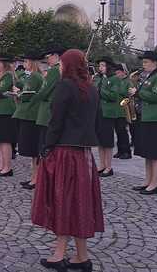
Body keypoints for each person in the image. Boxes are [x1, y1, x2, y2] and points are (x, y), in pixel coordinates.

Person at [32, 49, 104, 272]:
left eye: (62, 63)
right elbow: (96, 121)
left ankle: (60, 255)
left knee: (62, 201)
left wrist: (47, 147)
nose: (60, 67)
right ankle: (82, 256)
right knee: (78, 203)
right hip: (84, 155)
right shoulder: (91, 89)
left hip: (64, 152)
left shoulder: (65, 86)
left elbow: (56, 121)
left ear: (68, 65)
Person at [129, 51, 157, 195]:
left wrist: (138, 93)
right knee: (147, 152)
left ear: (155, 63)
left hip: (154, 119)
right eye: (143, 62)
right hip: (144, 117)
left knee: (155, 153)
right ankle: (147, 181)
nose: (143, 64)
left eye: (146, 62)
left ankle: (155, 184)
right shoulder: (147, 78)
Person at [12, 54, 44, 190]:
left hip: (31, 115)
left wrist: (17, 94)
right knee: (32, 151)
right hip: (30, 114)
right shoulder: (31, 76)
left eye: (26, 61)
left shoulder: (35, 76)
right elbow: (23, 87)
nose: (24, 63)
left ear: (32, 62)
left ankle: (36, 179)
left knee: (34, 149)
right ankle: (33, 178)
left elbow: (27, 94)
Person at [93, 56, 122, 177]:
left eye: (103, 65)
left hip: (108, 113)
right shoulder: (99, 78)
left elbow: (113, 95)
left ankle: (109, 167)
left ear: (108, 67)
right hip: (98, 112)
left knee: (107, 141)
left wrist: (101, 90)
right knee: (100, 141)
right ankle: (102, 164)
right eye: (99, 66)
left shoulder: (114, 79)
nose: (100, 68)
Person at [32, 48, 63, 156]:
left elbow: (44, 91)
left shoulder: (54, 70)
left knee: (44, 145)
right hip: (52, 109)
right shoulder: (58, 69)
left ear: (56, 55)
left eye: (48, 56)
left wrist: (33, 98)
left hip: (47, 110)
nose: (47, 59)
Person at [113, 64, 132, 160]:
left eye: (119, 72)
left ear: (124, 71)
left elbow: (128, 94)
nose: (117, 74)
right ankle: (120, 150)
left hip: (124, 110)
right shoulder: (117, 81)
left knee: (123, 131)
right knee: (118, 131)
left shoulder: (128, 82)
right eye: (116, 73)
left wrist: (118, 90)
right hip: (116, 109)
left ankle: (126, 151)